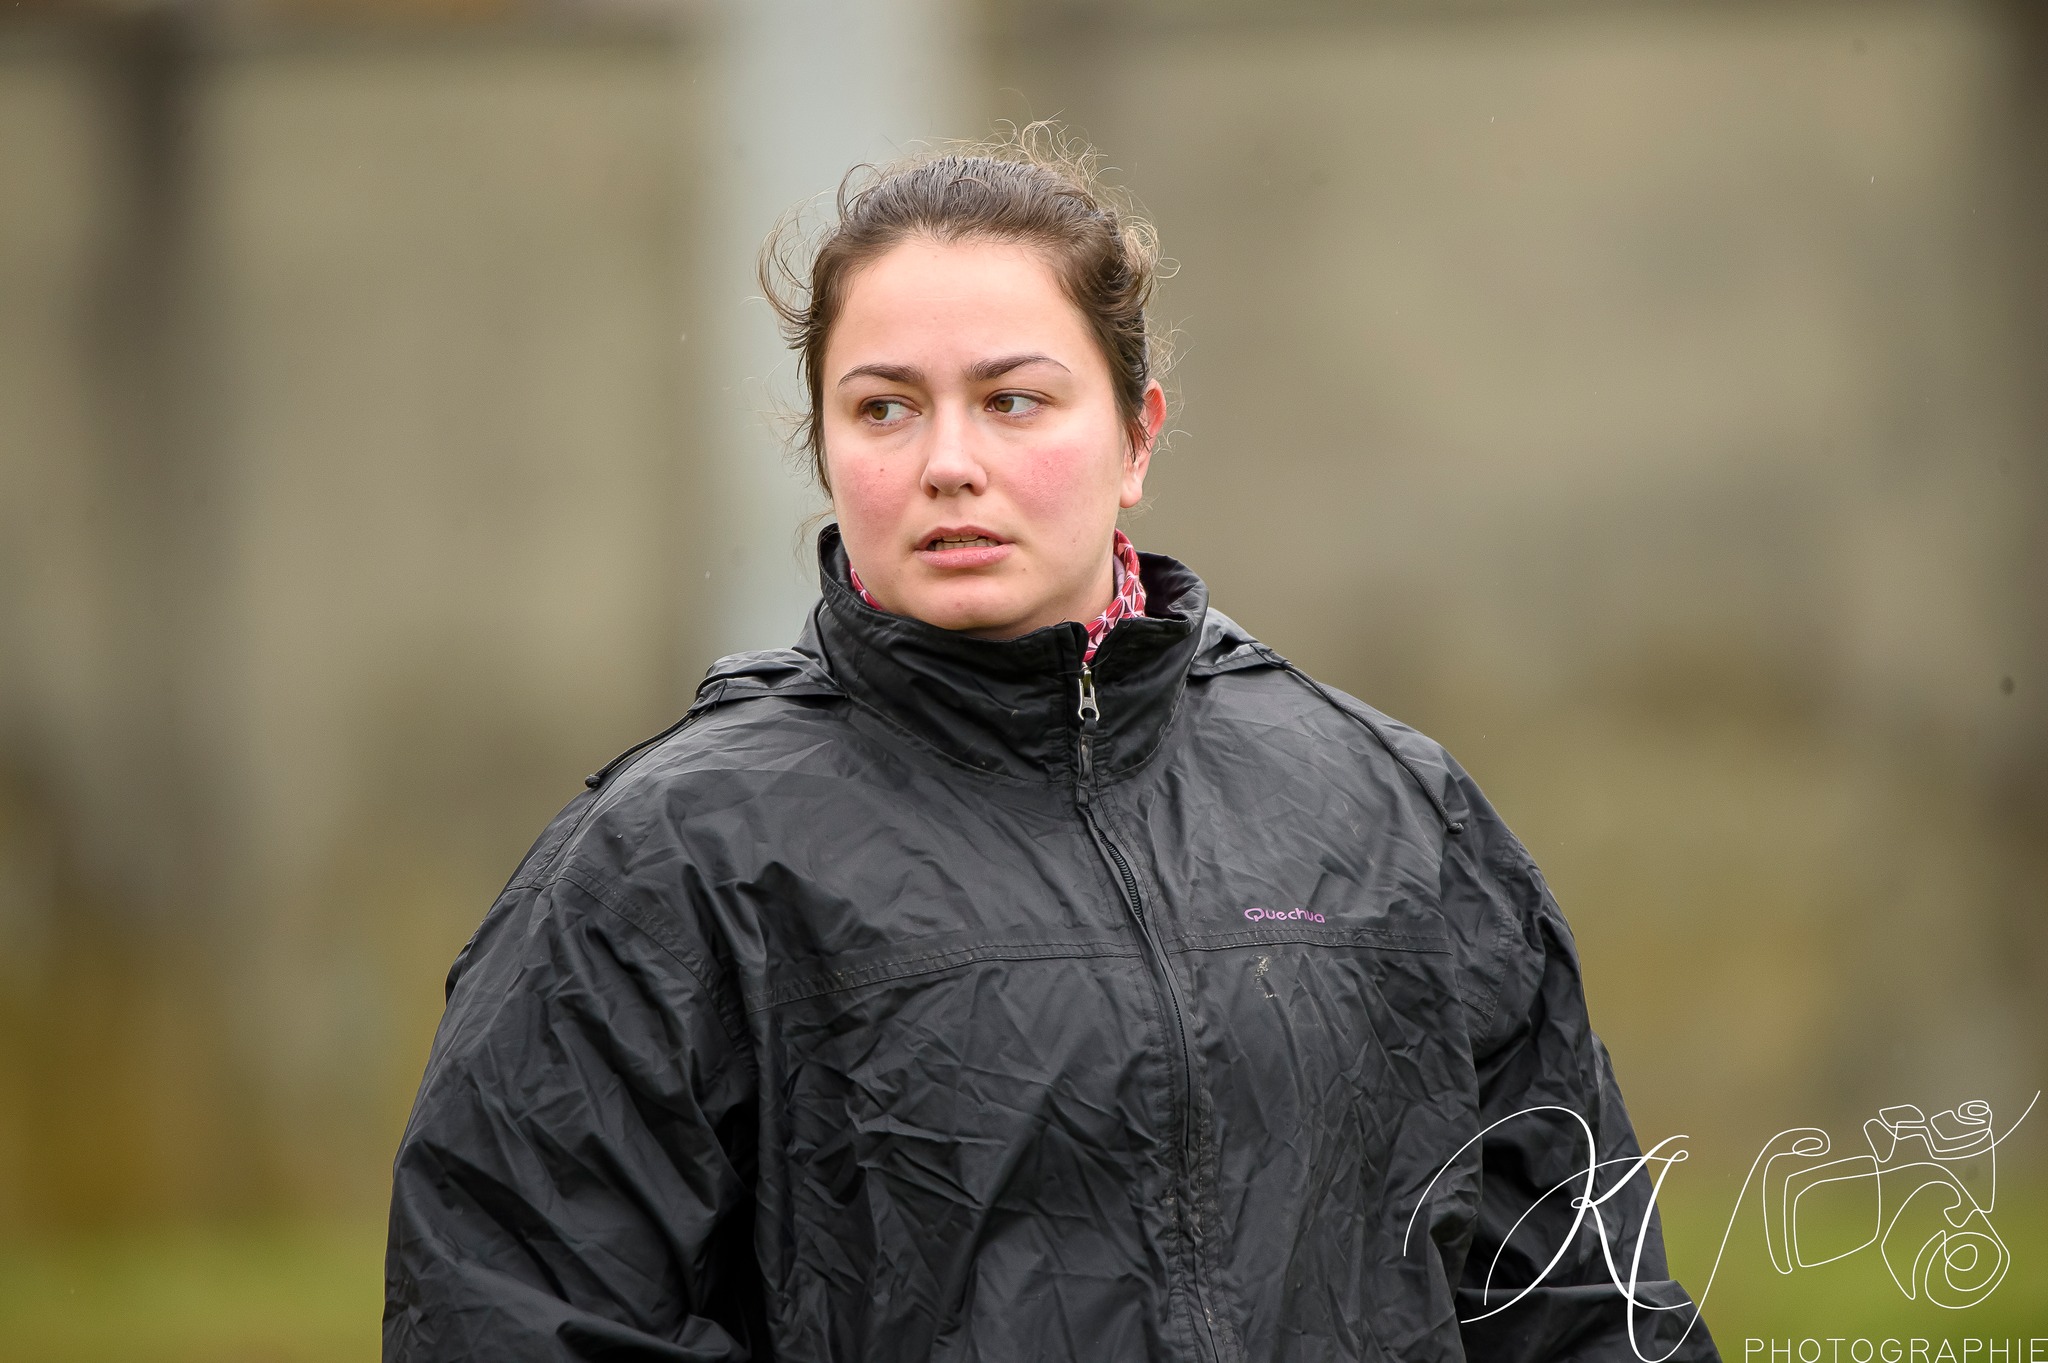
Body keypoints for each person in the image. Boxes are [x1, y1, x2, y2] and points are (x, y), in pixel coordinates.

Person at [384, 129, 1719, 1363]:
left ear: (1136, 436)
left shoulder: (1387, 811)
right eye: (885, 408)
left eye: (1014, 401)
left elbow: (1582, 1303)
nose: (948, 462)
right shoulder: (666, 865)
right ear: (826, 448)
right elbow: (509, 1316)